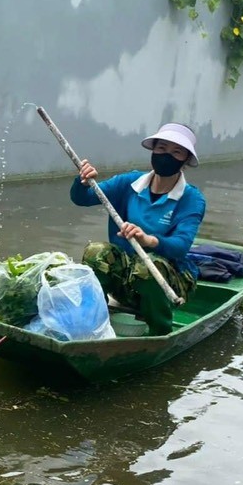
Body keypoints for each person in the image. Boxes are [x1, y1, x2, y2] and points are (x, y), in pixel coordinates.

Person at [70, 123, 206, 335]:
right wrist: (84, 181)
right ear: (153, 150)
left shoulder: (191, 198)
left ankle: (160, 332)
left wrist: (148, 240)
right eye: (161, 148)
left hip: (168, 280)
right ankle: (93, 319)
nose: (166, 155)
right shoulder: (129, 183)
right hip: (127, 276)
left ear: (186, 159)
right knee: (96, 252)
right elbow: (81, 199)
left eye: (176, 152)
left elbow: (181, 246)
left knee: (149, 266)